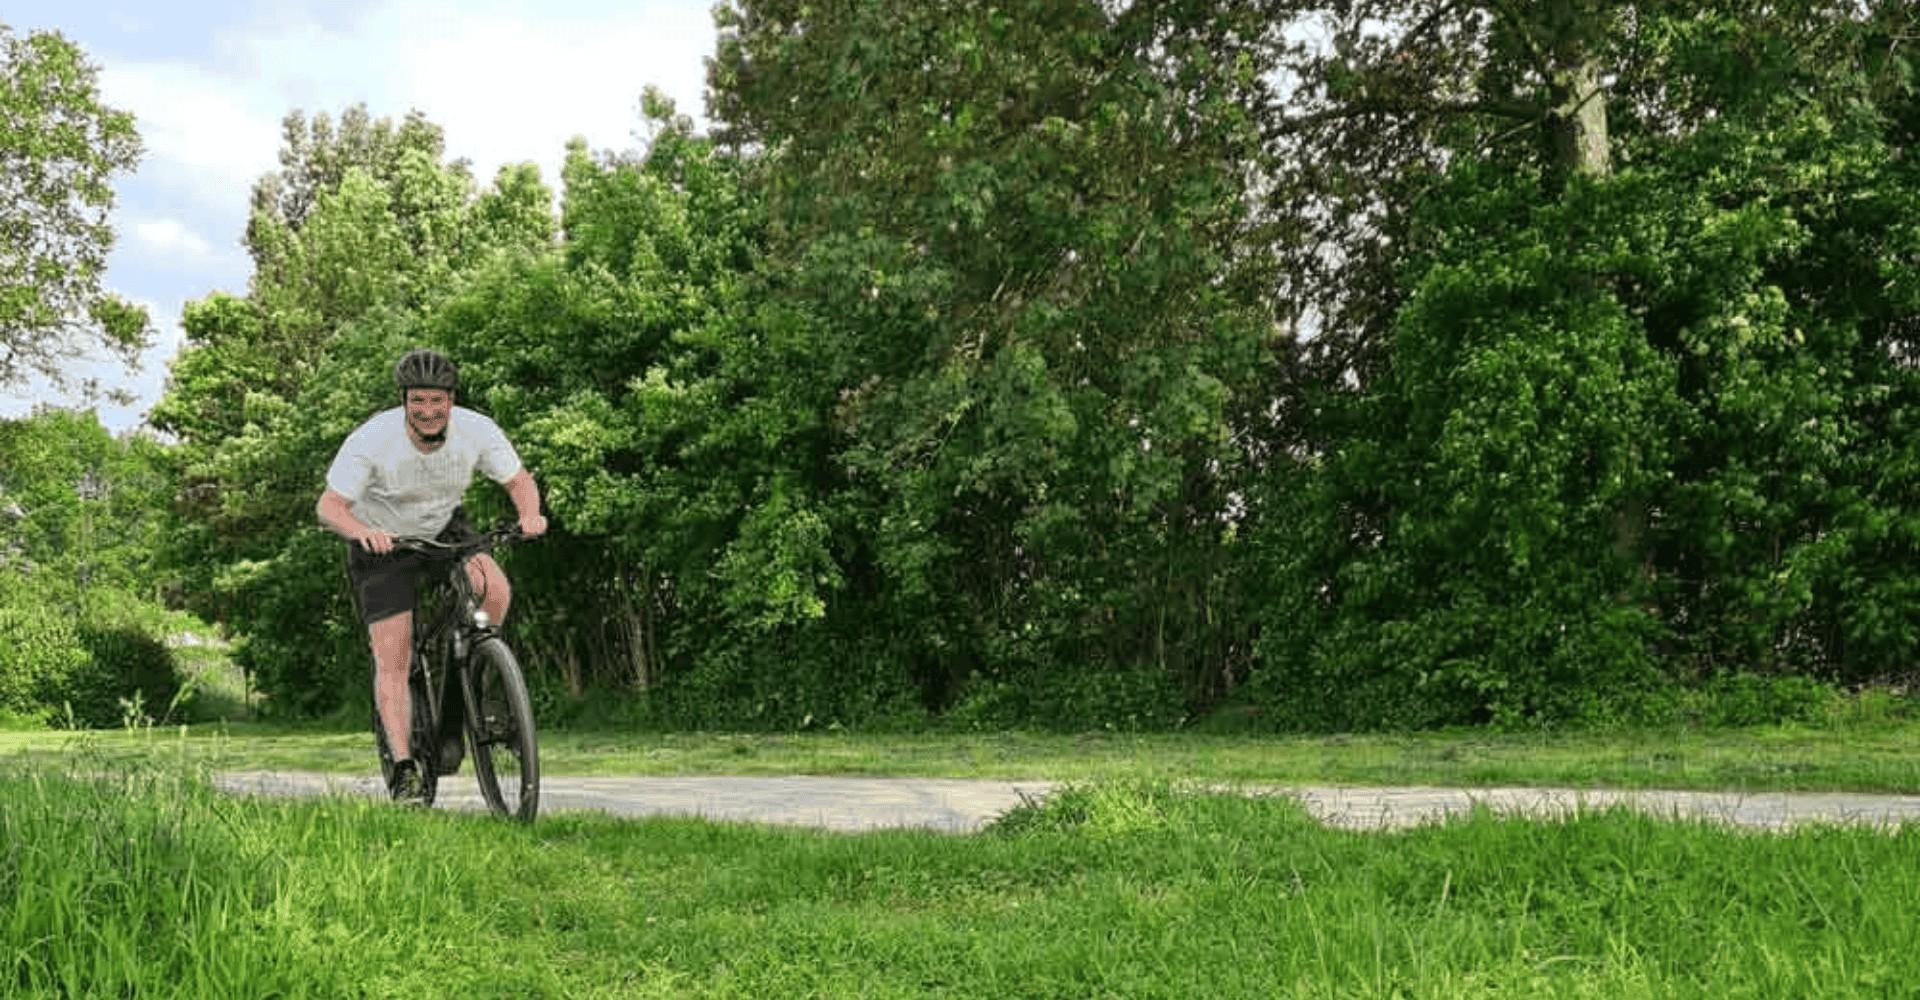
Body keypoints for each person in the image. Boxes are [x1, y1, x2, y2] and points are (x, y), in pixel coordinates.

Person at [316, 348, 548, 801]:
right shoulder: (372, 440)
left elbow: (518, 481)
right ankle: (405, 768)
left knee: (494, 590)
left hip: (443, 528)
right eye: (418, 400)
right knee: (394, 654)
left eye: (437, 400)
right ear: (404, 401)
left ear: (451, 400)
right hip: (382, 542)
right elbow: (329, 506)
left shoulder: (476, 430)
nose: (428, 411)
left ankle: (478, 679)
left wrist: (530, 515)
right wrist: (361, 532)